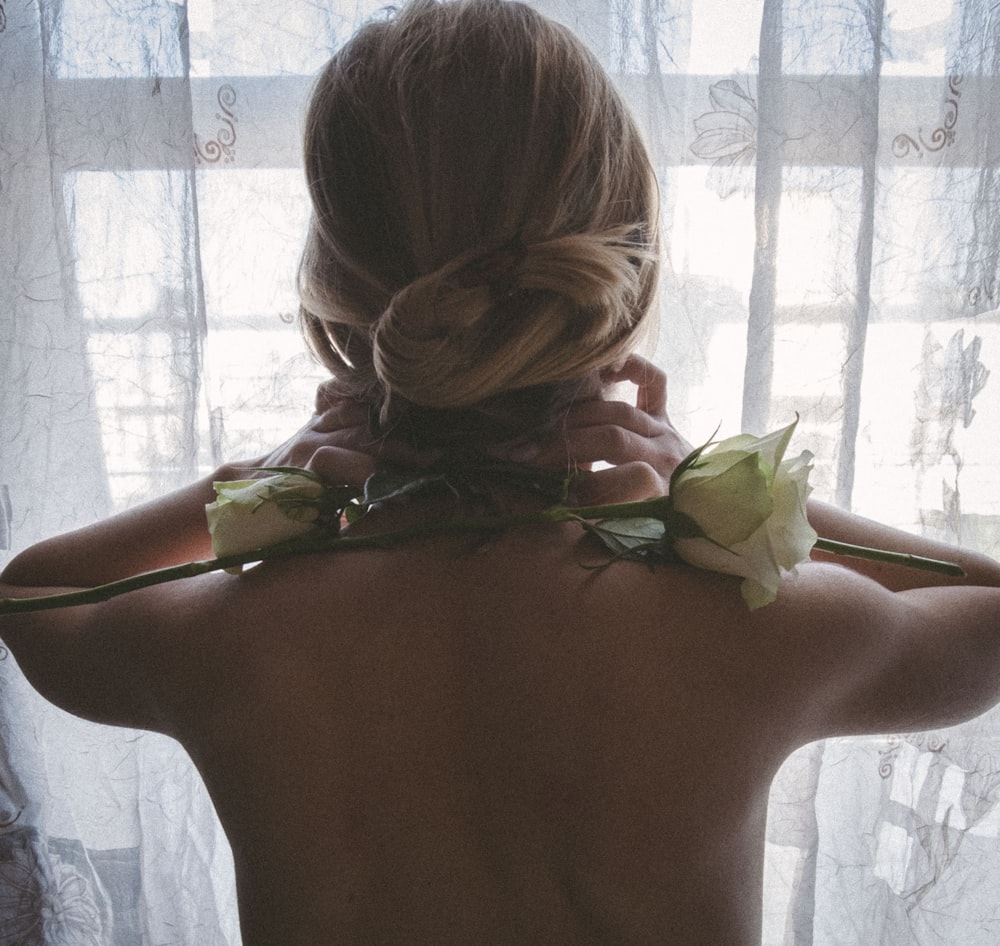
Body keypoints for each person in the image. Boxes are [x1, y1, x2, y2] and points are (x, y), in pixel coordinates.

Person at [2, 2, 1000, 943]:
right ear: (622, 273)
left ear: (339, 288)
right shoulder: (758, 635)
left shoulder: (236, 636)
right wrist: (723, 493)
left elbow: (35, 595)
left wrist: (259, 476)